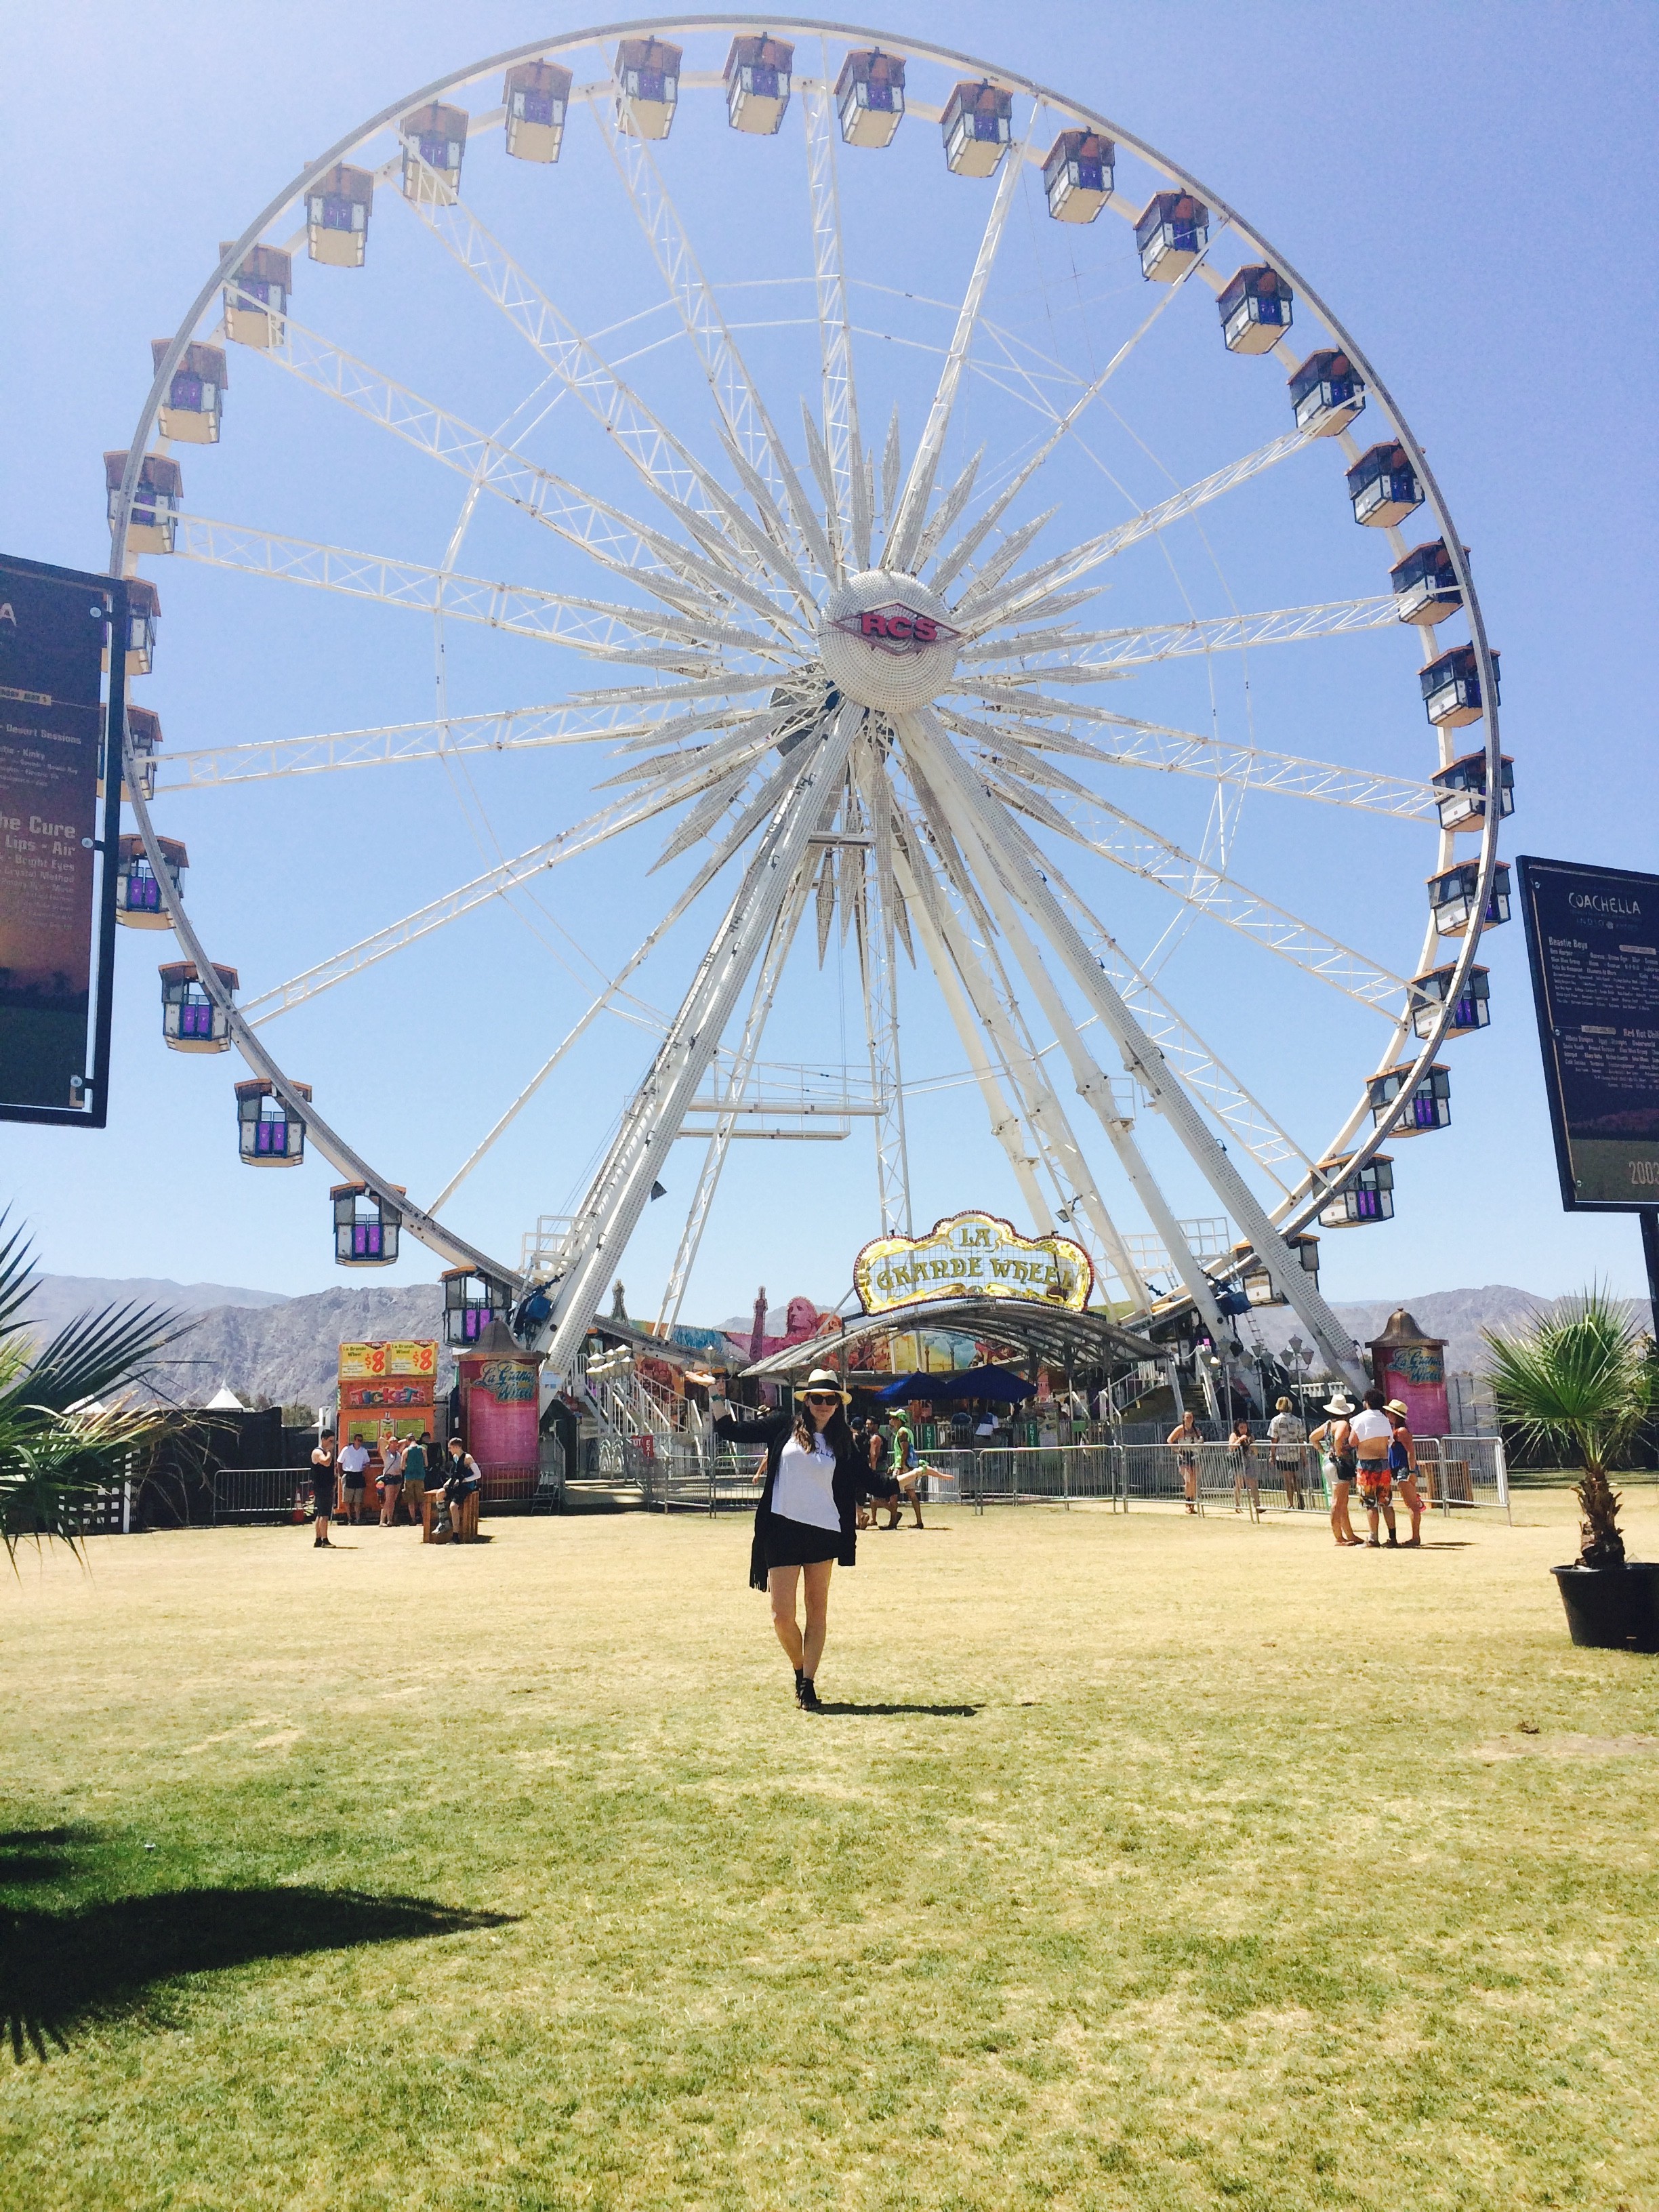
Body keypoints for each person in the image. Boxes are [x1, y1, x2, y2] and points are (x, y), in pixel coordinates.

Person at [713, 1368, 863, 1711]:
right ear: (806, 1401)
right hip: (781, 1531)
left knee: (817, 1610)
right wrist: (716, 1395)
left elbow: (868, 1479)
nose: (823, 1404)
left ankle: (808, 1683)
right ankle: (799, 1668)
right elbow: (732, 1431)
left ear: (838, 1404)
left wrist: (908, 1478)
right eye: (817, 1398)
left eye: (830, 1399)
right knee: (782, 1615)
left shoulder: (843, 1442)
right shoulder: (784, 1426)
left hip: (823, 1533)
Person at [1309, 1393, 1361, 1547]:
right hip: (1339, 1464)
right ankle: (1339, 1537)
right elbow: (1338, 1438)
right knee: (1338, 1502)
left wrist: (1323, 1452)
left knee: (1341, 1501)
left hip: (1328, 1462)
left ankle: (1349, 1535)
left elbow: (1313, 1437)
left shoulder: (1328, 1424)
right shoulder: (1343, 1424)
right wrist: (1339, 1452)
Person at [1349, 1387, 1398, 1548]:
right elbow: (1389, 1441)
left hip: (1366, 1465)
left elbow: (1352, 1441)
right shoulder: (1385, 1420)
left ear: (1367, 1403)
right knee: (1386, 1502)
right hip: (1383, 1463)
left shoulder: (1359, 1419)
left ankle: (1373, 1538)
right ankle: (1392, 1538)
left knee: (1370, 1503)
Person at [1385, 1399, 1425, 1547]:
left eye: (1390, 1413)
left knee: (1411, 1504)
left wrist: (1412, 1471)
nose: (1388, 1415)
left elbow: (1411, 1452)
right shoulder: (1395, 1430)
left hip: (1404, 1469)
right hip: (1399, 1468)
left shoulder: (1401, 1431)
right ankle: (1415, 1536)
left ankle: (1415, 1537)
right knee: (1410, 1503)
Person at [1267, 1395, 1306, 1510]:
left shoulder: (1275, 1421)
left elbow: (1274, 1440)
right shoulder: (1298, 1421)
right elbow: (1301, 1440)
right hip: (1295, 1453)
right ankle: (1299, 1496)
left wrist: (1272, 1455)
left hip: (1282, 1454)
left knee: (1287, 1480)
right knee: (1296, 1477)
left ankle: (1291, 1503)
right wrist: (1304, 1457)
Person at [445, 1437, 483, 1542]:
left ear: (456, 1447)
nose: (449, 1450)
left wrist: (465, 1480)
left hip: (467, 1485)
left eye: (450, 1448)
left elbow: (478, 1475)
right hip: (457, 1483)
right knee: (440, 1493)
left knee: (453, 1506)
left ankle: (455, 1535)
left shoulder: (468, 1458)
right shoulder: (455, 1457)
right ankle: (443, 1523)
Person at [1167, 1407, 1202, 1513]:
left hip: (1194, 1456)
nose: (1189, 1419)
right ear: (1183, 1419)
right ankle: (1188, 1503)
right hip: (1184, 1457)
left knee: (1194, 1481)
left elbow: (1200, 1441)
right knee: (1188, 1481)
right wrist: (1177, 1451)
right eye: (1187, 1417)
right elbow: (1170, 1440)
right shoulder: (1180, 1429)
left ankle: (1192, 1504)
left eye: (1191, 1417)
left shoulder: (1196, 1430)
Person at [309, 1427, 337, 1549]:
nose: (332, 1444)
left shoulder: (325, 1452)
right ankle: (324, 1540)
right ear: (323, 1440)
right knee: (324, 1515)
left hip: (327, 1485)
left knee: (321, 1514)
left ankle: (318, 1539)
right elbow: (326, 1462)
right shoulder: (318, 1452)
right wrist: (329, 1452)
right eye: (330, 1441)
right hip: (321, 1486)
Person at [1229, 1416, 1261, 1515]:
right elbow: (1231, 1447)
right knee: (1239, 1484)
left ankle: (1258, 1505)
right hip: (1238, 1462)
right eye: (1241, 1427)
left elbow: (1256, 1452)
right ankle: (1237, 1505)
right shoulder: (1234, 1435)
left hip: (1249, 1461)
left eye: (1245, 1427)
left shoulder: (1250, 1436)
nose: (1244, 1430)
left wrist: (1252, 1445)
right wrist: (1240, 1440)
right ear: (1237, 1428)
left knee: (1253, 1483)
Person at [337, 1435, 370, 1525]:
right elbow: (339, 1462)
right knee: (347, 1500)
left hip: (359, 1475)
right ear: (354, 1440)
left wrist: (366, 1467)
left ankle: (358, 1518)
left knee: (358, 1500)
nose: (359, 1442)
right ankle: (349, 1518)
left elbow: (367, 1462)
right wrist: (340, 1474)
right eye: (358, 1440)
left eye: (361, 1441)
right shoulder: (346, 1449)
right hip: (348, 1475)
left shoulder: (364, 1451)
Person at [402, 1431, 428, 1532]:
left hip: (409, 1477)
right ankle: (424, 1519)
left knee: (411, 1500)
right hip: (420, 1476)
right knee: (421, 1500)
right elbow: (426, 1464)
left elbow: (402, 1466)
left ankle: (413, 1520)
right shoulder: (423, 1450)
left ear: (408, 1441)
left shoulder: (406, 1451)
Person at [379, 1434, 406, 1528]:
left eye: (396, 1442)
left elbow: (405, 1441)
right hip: (389, 1478)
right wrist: (389, 1442)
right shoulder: (386, 1453)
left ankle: (390, 1520)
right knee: (388, 1500)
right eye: (392, 1442)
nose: (395, 1444)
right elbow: (381, 1440)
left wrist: (396, 1443)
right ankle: (382, 1520)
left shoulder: (398, 1453)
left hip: (397, 1477)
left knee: (393, 1500)